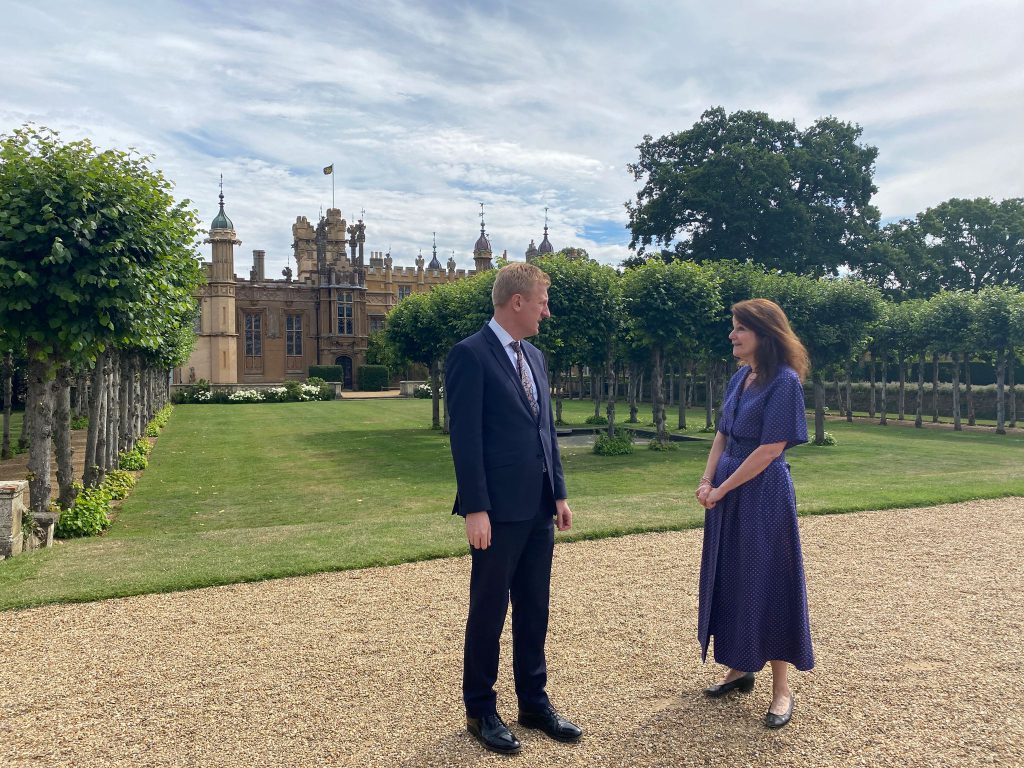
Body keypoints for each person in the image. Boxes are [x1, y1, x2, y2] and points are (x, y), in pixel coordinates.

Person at [445, 262, 582, 755]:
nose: (548, 310)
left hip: (539, 506)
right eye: (543, 300)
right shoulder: (470, 356)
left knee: (534, 609)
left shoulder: (537, 358)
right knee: (488, 611)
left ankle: (533, 702)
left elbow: (544, 431)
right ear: (518, 302)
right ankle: (480, 708)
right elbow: (466, 439)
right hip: (497, 512)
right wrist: (475, 509)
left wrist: (559, 493)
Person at [695, 298, 814, 730]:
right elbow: (723, 434)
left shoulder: (784, 382)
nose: (732, 335)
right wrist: (707, 480)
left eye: (739, 328)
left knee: (770, 580)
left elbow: (769, 450)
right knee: (732, 575)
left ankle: (781, 688)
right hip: (727, 492)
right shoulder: (741, 378)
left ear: (763, 334)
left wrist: (722, 488)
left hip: (762, 495)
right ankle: (741, 666)